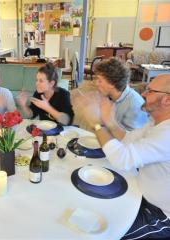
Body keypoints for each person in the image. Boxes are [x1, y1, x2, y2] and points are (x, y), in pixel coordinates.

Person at [75, 74, 170, 239]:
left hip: (159, 215)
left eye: (150, 91)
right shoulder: (155, 123)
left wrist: (96, 124)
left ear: (167, 100)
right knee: (89, 206)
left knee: (104, 234)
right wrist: (109, 121)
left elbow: (123, 159)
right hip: (139, 194)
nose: (144, 94)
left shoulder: (167, 134)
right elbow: (127, 140)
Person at [93, 58, 149, 130]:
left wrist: (96, 125)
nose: (96, 83)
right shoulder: (111, 97)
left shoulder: (134, 105)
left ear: (112, 83)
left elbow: (131, 139)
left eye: (99, 80)